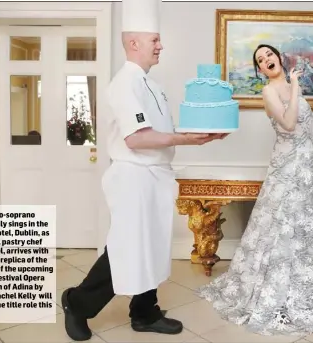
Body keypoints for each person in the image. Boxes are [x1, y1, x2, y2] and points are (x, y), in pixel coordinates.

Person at [61, 0, 225, 340]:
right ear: (134, 43)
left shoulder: (152, 83)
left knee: (150, 246)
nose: (161, 45)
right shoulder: (124, 84)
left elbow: (158, 129)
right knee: (126, 249)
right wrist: (190, 140)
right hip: (133, 176)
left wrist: (195, 131)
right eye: (155, 40)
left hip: (155, 176)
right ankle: (77, 303)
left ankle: (144, 312)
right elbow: (136, 139)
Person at [196, 44, 313, 336]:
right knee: (281, 225)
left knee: (310, 227)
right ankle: (274, 287)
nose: (266, 60)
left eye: (268, 55)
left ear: (278, 58)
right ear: (260, 70)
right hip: (287, 167)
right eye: (260, 60)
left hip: (309, 164)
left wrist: (293, 85)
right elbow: (289, 125)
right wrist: (297, 84)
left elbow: (305, 128)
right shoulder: (268, 92)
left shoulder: (288, 86)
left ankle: (311, 283)